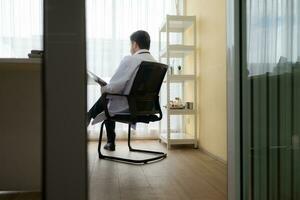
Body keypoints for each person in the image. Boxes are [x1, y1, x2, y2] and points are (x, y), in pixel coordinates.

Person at [86, 30, 157, 151]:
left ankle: (90, 122)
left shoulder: (130, 60)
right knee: (108, 98)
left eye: (131, 44)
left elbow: (115, 86)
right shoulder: (156, 63)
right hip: (148, 108)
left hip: (130, 107)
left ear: (135, 44)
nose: (131, 48)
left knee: (107, 96)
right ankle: (88, 119)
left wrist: (103, 87)